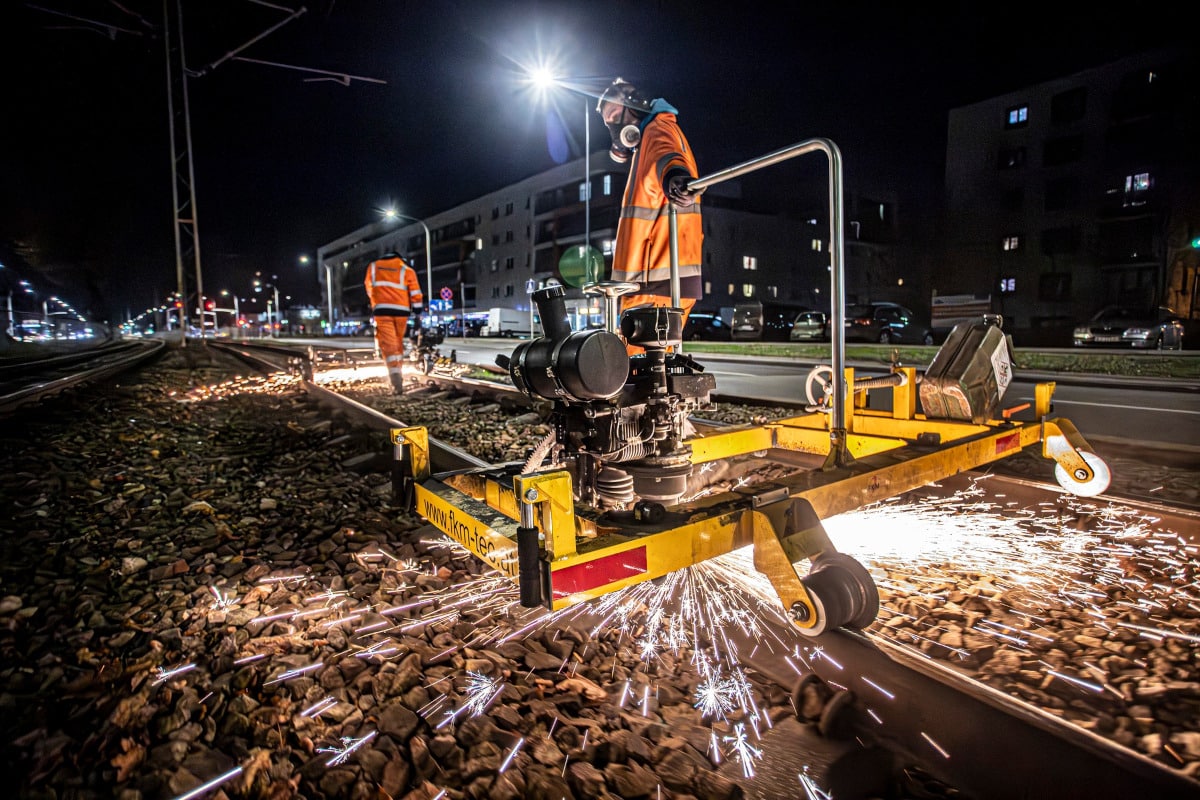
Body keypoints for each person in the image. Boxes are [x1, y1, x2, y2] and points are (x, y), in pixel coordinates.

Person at [596, 77, 703, 350]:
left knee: (632, 372)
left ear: (635, 105)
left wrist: (676, 177)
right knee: (650, 374)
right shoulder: (646, 142)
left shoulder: (657, 129)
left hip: (655, 281)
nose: (613, 126)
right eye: (608, 121)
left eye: (614, 116)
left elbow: (668, 157)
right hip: (656, 281)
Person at [364, 250, 424, 393]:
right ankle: (398, 371)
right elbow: (416, 292)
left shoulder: (373, 267)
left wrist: (376, 301)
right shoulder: (406, 269)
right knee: (397, 342)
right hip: (402, 311)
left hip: (382, 310)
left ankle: (395, 375)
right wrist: (417, 310)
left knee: (389, 344)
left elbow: (369, 287)